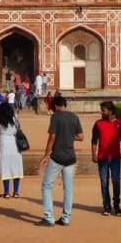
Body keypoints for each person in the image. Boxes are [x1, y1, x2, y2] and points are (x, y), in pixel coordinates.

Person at [36, 94, 83, 227]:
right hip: (70, 157)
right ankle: (66, 218)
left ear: (56, 106)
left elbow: (52, 138)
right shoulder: (74, 116)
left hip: (57, 156)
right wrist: (69, 136)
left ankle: (49, 217)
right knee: (68, 188)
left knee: (46, 185)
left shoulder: (55, 116)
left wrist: (45, 156)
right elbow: (81, 137)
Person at [91, 101, 121, 216]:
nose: (101, 112)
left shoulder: (120, 123)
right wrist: (94, 154)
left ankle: (116, 205)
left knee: (116, 181)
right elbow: (94, 141)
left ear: (110, 111)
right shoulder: (98, 123)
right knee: (104, 182)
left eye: (103, 110)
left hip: (115, 157)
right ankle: (106, 206)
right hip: (102, 157)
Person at [0, 101, 24, 198]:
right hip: (14, 143)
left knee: (5, 166)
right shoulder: (14, 118)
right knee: (16, 167)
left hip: (4, 144)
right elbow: (19, 128)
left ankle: (6, 192)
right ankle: (16, 192)